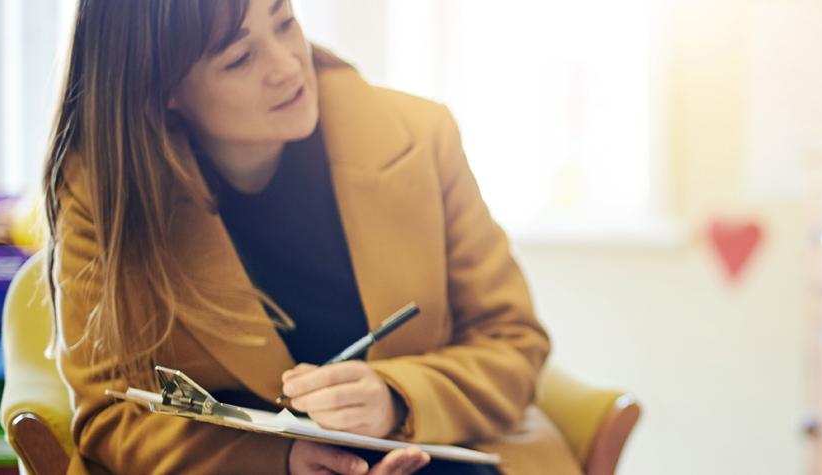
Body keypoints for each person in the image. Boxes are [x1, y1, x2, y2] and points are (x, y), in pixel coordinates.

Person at [42, 0, 580, 473]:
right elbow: (110, 414)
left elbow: (514, 343)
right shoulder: (104, 193)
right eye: (239, 59)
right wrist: (281, 461)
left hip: (444, 456)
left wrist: (399, 397)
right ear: (162, 90)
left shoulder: (422, 135)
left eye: (285, 21)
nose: (286, 66)